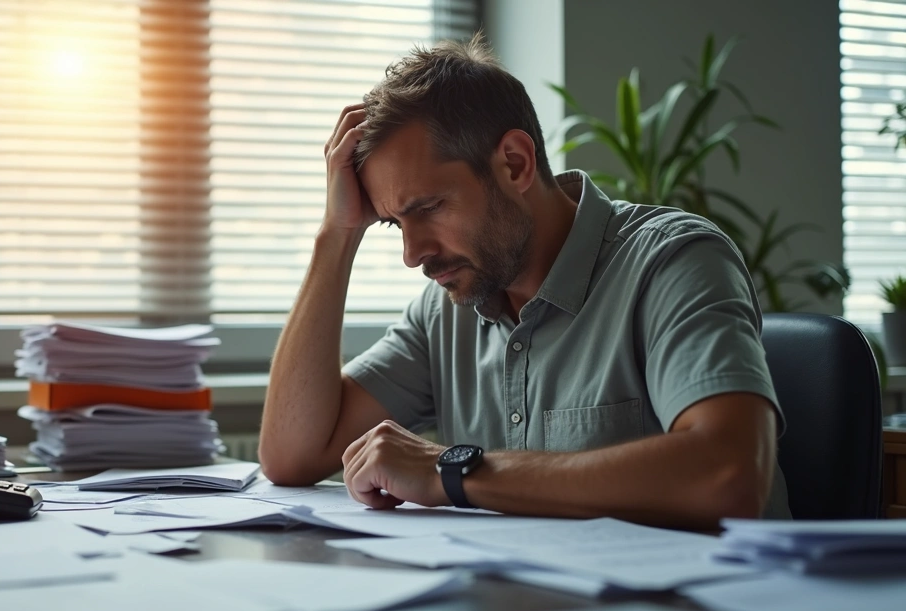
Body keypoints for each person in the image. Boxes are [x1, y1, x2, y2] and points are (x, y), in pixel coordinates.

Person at [257, 34, 790, 528]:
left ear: (514, 163)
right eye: (395, 223)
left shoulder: (672, 260)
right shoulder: (446, 310)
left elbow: (728, 475)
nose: (412, 253)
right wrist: (337, 233)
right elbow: (291, 455)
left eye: (431, 207)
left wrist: (454, 473)